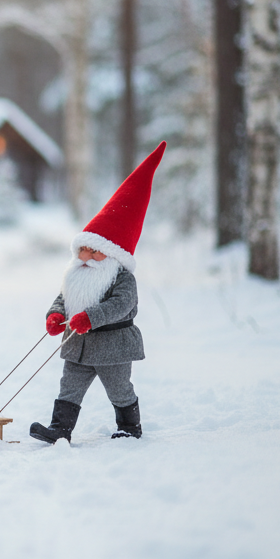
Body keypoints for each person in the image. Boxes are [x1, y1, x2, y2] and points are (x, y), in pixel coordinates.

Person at [30, 142, 166, 445]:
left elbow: (121, 305)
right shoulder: (77, 272)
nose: (88, 256)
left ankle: (130, 426)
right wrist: (56, 315)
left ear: (113, 253)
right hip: (78, 343)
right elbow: (63, 297)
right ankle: (60, 429)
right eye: (84, 249)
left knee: (119, 388)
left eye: (96, 251)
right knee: (70, 386)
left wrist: (91, 317)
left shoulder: (122, 277)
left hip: (113, 346)